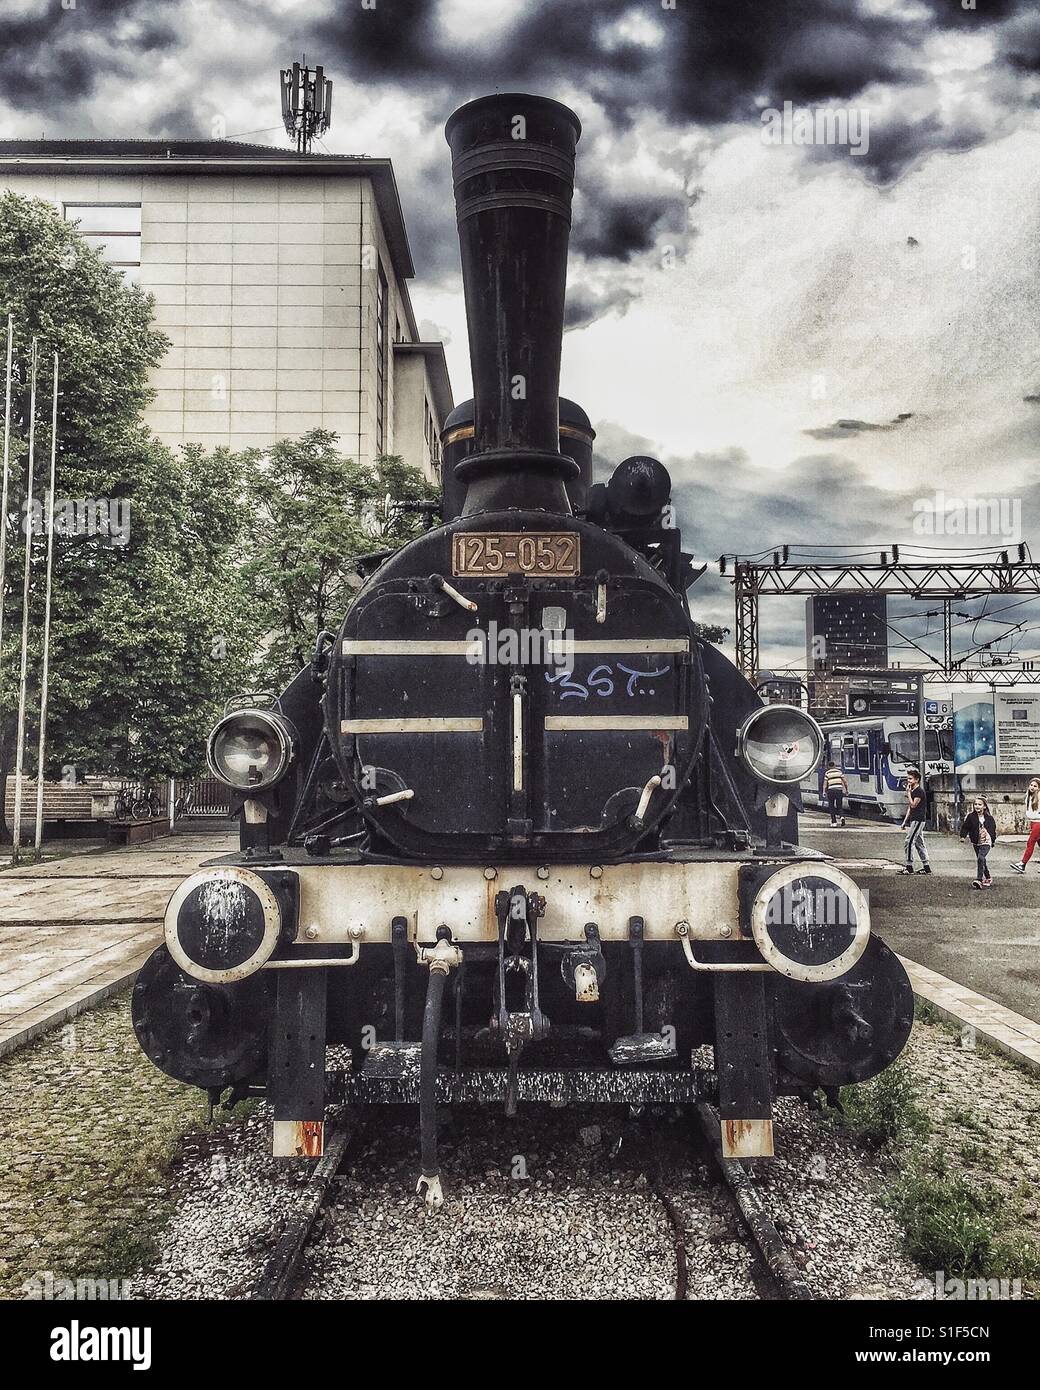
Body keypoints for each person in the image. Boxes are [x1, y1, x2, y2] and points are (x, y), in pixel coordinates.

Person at [960, 796, 996, 889]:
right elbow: (965, 827)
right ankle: (988, 877)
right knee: (982, 860)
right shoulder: (971, 817)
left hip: (986, 841)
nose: (977, 806)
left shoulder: (989, 818)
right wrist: (963, 836)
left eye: (979, 804)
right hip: (976, 841)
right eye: (975, 804)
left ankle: (979, 879)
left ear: (984, 806)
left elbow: (993, 830)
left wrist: (992, 841)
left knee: (980, 858)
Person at [900, 768, 931, 874]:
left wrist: (908, 793)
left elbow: (913, 804)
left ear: (917, 780)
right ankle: (926, 867)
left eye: (910, 779)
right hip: (914, 819)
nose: (908, 781)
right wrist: (905, 821)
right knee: (919, 843)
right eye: (908, 778)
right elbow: (910, 807)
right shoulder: (913, 791)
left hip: (918, 819)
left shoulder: (919, 791)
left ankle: (909, 867)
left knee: (909, 842)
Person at [1009, 777, 1040, 873]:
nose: (1032, 787)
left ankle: (1022, 864)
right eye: (1031, 785)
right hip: (1033, 822)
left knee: (1030, 843)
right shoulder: (1028, 795)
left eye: (1035, 786)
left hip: (1039, 823)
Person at [822, 760, 847, 826]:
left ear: (828, 766)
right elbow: (845, 782)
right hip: (839, 790)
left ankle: (834, 822)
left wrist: (824, 791)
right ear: (834, 766)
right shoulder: (839, 772)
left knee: (831, 806)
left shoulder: (827, 773)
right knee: (839, 806)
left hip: (831, 790)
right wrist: (846, 790)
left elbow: (825, 783)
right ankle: (842, 816)